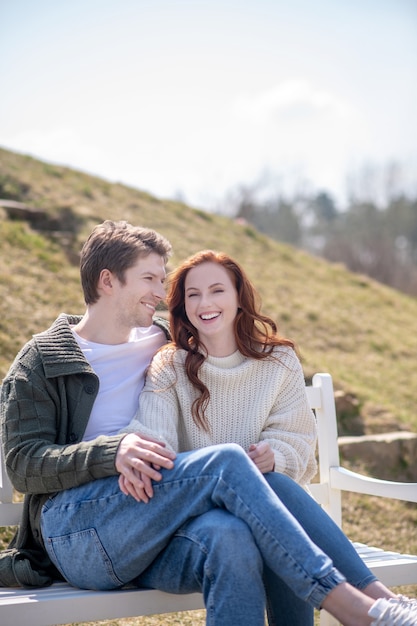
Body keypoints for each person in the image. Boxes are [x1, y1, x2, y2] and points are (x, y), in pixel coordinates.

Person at [1, 222, 416, 626]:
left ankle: (369, 606)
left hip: (154, 518)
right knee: (226, 463)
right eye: (149, 278)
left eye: (163, 280)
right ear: (108, 281)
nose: (161, 293)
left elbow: (196, 408)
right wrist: (114, 452)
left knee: (230, 537)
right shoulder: (44, 358)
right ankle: (356, 607)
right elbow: (22, 464)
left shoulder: (163, 346)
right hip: (79, 531)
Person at [123, 248, 417, 625]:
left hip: (268, 511)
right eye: (193, 294)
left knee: (270, 490)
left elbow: (295, 437)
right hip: (202, 518)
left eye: (217, 291)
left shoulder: (278, 362)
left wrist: (273, 455)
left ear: (238, 298)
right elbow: (155, 439)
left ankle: (377, 609)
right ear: (182, 306)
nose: (205, 303)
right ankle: (381, 604)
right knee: (271, 499)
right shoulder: (170, 365)